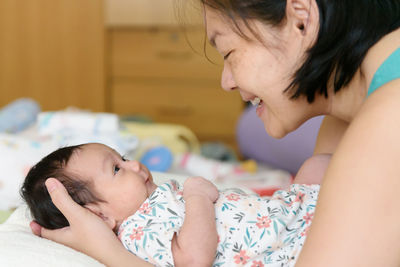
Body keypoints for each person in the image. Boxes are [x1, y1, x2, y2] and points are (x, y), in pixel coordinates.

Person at [30, 0, 400, 266]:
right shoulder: (355, 109)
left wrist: (109, 254)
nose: (225, 81)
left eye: (227, 52)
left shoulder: (385, 121)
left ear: (301, 18)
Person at [22, 143, 329, 266]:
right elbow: (194, 258)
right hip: (288, 245)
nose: (135, 165)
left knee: (319, 164)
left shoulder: (152, 201)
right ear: (99, 216)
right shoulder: (137, 232)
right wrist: (196, 197)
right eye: (117, 169)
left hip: (284, 213)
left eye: (124, 159)